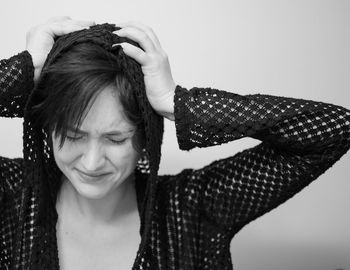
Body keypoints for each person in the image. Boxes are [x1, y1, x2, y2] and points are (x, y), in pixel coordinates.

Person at [0, 16, 349, 270]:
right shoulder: (9, 195)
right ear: (47, 128)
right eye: (74, 136)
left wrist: (178, 102)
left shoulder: (194, 208)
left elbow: (334, 128)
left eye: (116, 138)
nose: (92, 163)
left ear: (145, 138)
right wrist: (24, 71)